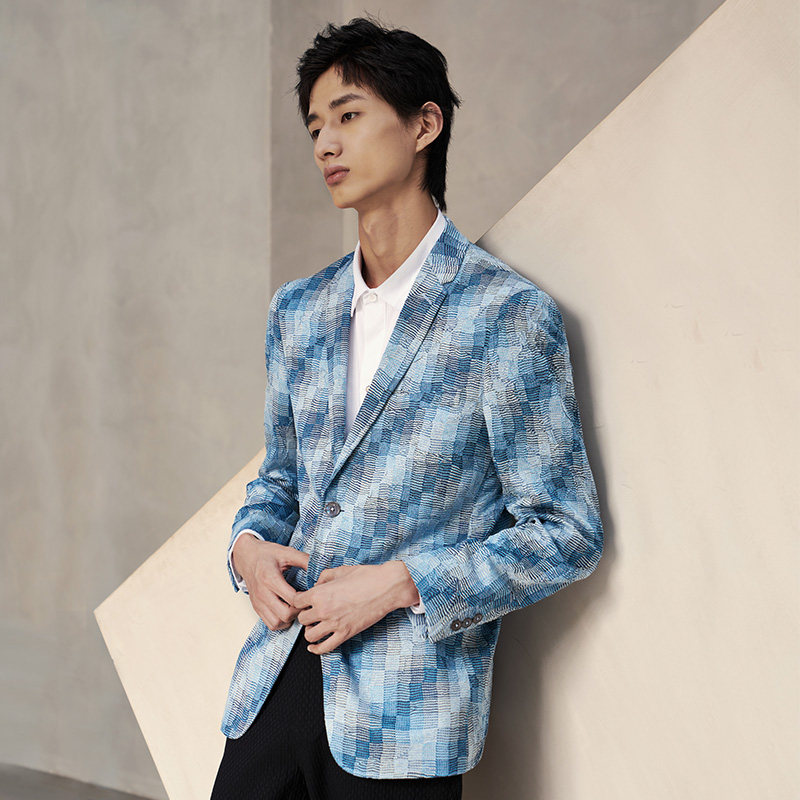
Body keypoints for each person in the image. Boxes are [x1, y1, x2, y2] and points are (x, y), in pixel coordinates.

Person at [210, 16, 603, 800]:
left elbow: (566, 532)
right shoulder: (298, 312)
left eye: (348, 116)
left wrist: (400, 583)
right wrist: (247, 552)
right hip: (274, 686)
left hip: (407, 718)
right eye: (315, 126)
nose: (325, 144)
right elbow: (280, 480)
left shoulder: (504, 315)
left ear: (425, 124)